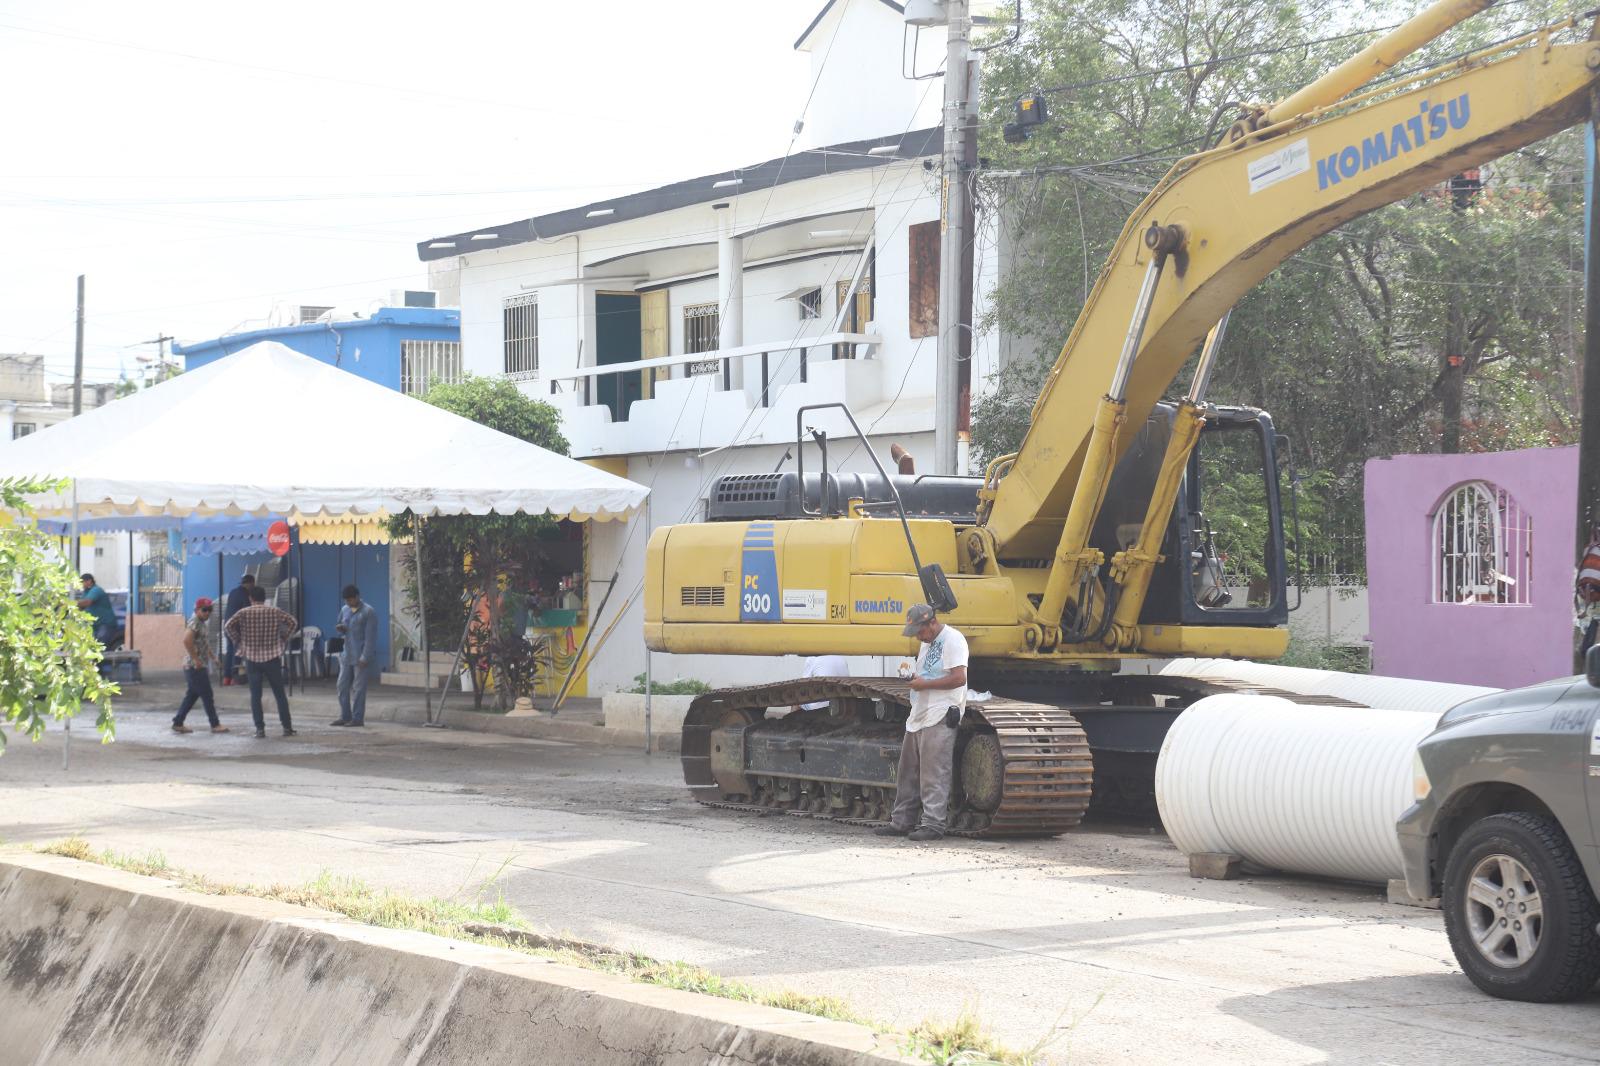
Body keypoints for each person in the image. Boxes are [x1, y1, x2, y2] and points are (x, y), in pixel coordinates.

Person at [875, 603, 969, 842]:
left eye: (920, 630)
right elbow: (930, 673)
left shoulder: (953, 640)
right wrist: (916, 679)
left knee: (933, 772)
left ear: (932, 623)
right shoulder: (927, 642)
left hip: (940, 713)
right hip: (919, 714)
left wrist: (924, 685)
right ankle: (902, 821)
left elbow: (959, 678)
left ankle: (933, 824)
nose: (918, 636)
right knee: (908, 772)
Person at [224, 585, 298, 738]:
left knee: (255, 695)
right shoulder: (275, 611)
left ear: (251, 598)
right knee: (279, 694)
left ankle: (260, 729)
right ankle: (287, 727)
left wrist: (238, 641)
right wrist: (283, 638)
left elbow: (228, 626)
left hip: (251, 658)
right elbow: (293, 622)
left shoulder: (243, 612)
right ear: (264, 598)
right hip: (272, 657)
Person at [173, 598, 228, 734]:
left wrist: (213, 658)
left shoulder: (202, 624)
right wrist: (196, 659)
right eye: (204, 610)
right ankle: (215, 724)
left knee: (192, 695)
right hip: (194, 666)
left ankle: (178, 722)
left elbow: (204, 643)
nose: (207, 613)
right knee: (207, 694)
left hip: (198, 664)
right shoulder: (194, 622)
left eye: (209, 610)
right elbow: (186, 641)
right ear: (197, 610)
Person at [331, 584, 378, 727]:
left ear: (357, 597)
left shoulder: (368, 612)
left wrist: (365, 657)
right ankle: (345, 716)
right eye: (346, 601)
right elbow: (341, 626)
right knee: (342, 686)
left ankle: (357, 718)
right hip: (347, 654)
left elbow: (371, 637)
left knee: (358, 689)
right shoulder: (345, 609)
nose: (348, 603)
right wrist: (341, 629)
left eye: (350, 600)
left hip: (360, 656)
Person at [221, 573, 256, 685]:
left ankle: (226, 678)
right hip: (236, 627)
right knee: (237, 652)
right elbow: (247, 611)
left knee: (230, 651)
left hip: (227, 625)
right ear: (250, 584)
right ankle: (234, 677)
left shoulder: (233, 592)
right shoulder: (245, 594)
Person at [76, 573, 119, 647]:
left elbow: (87, 602)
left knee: (100, 645)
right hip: (95, 625)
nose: (81, 585)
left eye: (82, 582)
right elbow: (81, 607)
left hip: (105, 624)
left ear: (89, 581)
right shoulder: (86, 592)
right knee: (93, 646)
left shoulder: (96, 590)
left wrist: (70, 603)